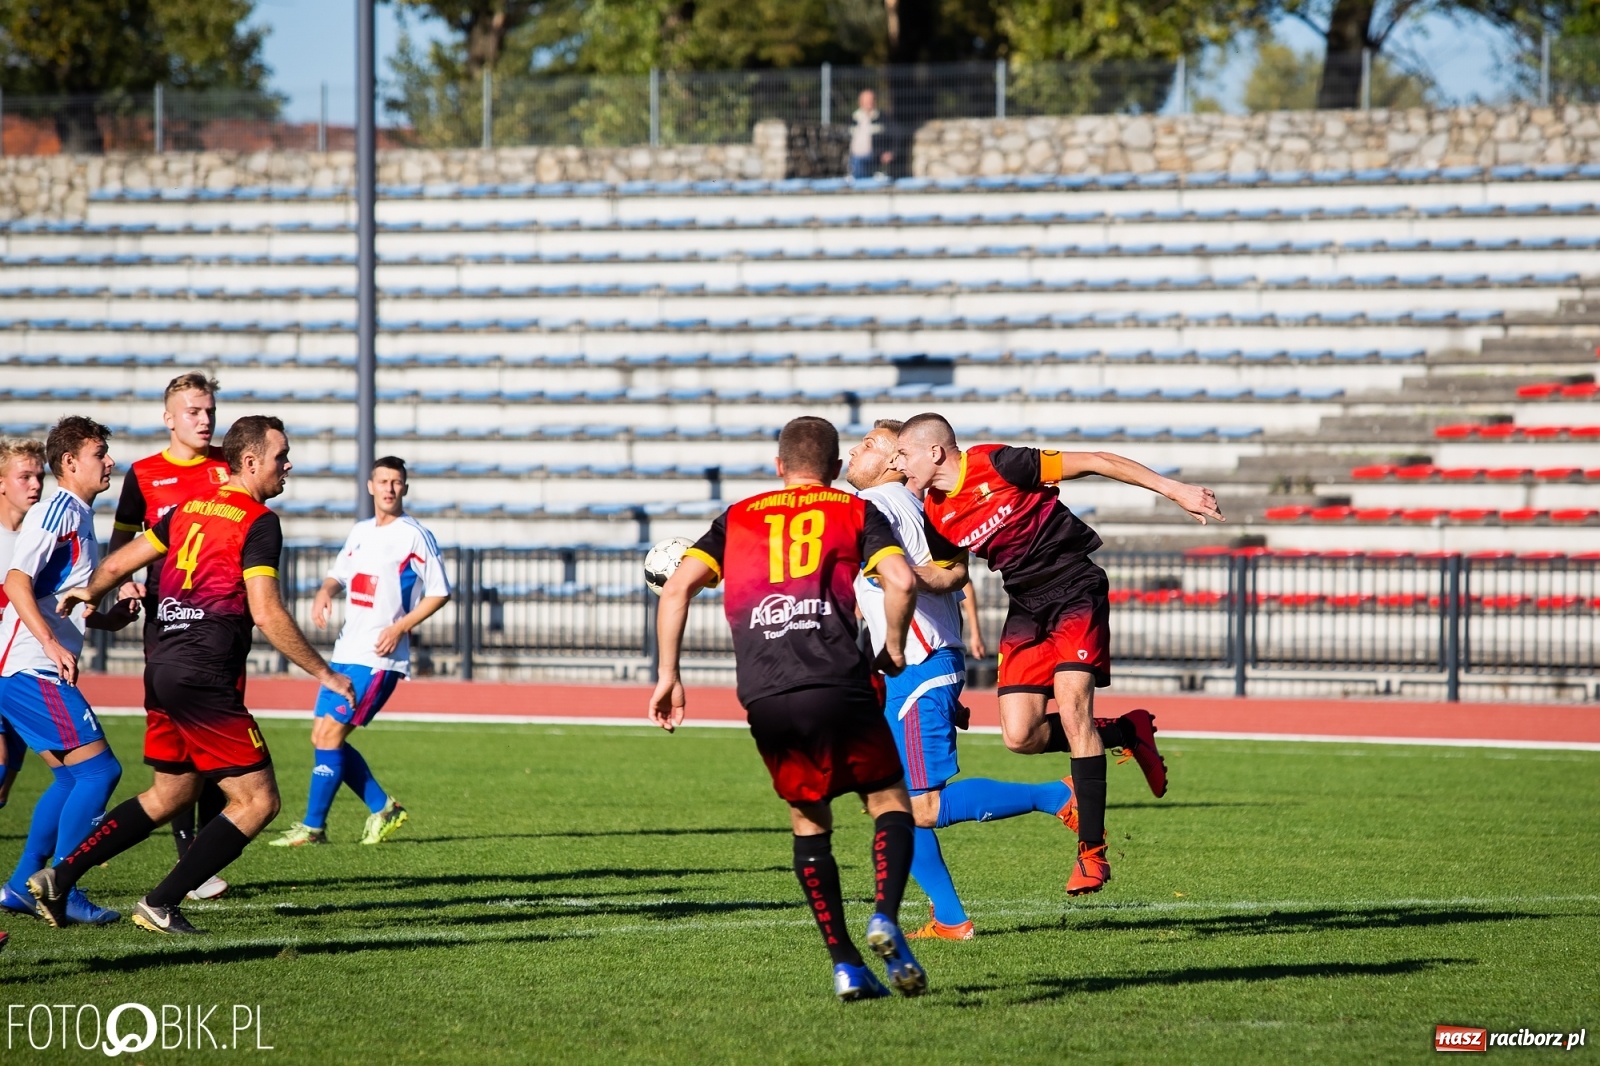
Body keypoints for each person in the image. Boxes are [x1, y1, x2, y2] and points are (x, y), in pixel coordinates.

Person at [29, 416, 357, 936]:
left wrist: (88, 594)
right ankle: (161, 902)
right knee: (259, 801)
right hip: (203, 674)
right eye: (281, 456)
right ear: (250, 463)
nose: (287, 465)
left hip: (161, 666)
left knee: (171, 794)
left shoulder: (187, 510)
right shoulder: (257, 521)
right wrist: (326, 672)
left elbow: (120, 563)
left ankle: (60, 875)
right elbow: (267, 612)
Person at [846, 420, 1164, 939]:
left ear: (901, 460)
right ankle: (949, 916)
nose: (859, 453)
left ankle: (1058, 803)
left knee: (916, 804)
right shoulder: (925, 509)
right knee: (907, 788)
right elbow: (953, 575)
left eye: (876, 447)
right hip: (923, 665)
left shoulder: (887, 503)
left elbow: (937, 578)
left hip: (923, 663)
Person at [648, 416, 927, 1002]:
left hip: (765, 691)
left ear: (779, 468)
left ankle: (845, 964)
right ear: (832, 471)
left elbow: (675, 589)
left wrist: (669, 677)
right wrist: (896, 645)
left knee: (809, 821)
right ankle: (884, 914)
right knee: (887, 800)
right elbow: (901, 580)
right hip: (836, 680)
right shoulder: (854, 510)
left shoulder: (739, 516)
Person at [893, 414, 1221, 895]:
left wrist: (1174, 490)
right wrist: (896, 575)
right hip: (1025, 605)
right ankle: (1127, 730)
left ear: (935, 452)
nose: (899, 467)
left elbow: (1097, 460)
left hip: (1074, 589)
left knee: (1072, 711)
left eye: (903, 455)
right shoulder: (936, 513)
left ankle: (1092, 854)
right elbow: (952, 575)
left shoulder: (1001, 463)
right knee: (1019, 736)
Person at [270, 456, 449, 847]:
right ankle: (382, 806)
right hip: (346, 651)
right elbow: (340, 573)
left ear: (404, 488)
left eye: (396, 482)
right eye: (382, 481)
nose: (389, 488)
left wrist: (400, 627)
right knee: (321, 735)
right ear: (370, 486)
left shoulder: (414, 535)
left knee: (331, 734)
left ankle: (313, 828)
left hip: (379, 657)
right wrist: (324, 592)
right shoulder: (361, 531)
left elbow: (440, 591)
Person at [0, 420, 137, 925]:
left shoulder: (78, 513)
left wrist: (103, 617)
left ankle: (19, 886)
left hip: (27, 665)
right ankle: (61, 886)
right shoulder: (57, 510)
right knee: (102, 772)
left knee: (67, 779)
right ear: (70, 463)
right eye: (100, 453)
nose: (110, 462)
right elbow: (16, 582)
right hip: (30, 668)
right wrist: (53, 643)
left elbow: (51, 597)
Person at [108, 371, 233, 900]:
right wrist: (123, 579)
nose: (204, 420)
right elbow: (121, 539)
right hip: (169, 623)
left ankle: (199, 857)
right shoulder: (145, 474)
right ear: (169, 418)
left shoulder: (230, 467)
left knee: (217, 746)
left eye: (208, 411)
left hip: (224, 622)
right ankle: (193, 860)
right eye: (193, 412)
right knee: (183, 744)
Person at [0, 439, 46, 814]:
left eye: (39, 476)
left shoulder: (38, 539)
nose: (35, 484)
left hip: (17, 671)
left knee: (5, 783)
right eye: (24, 476)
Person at [848, 89, 892, 180]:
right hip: (854, 157)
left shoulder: (882, 118)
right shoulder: (854, 118)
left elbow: (895, 135)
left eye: (871, 100)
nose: (869, 103)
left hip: (875, 157)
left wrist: (890, 152)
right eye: (866, 100)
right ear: (860, 102)